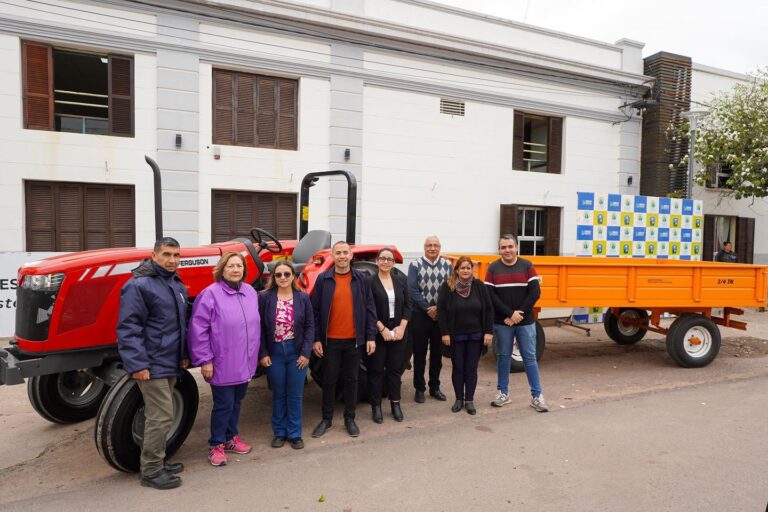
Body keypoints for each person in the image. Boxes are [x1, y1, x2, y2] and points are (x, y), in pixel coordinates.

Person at [117, 237, 189, 489]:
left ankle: (157, 461)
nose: (172, 260)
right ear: (154, 255)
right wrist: (137, 364)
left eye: (176, 255)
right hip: (152, 362)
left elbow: (179, 326)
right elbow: (129, 328)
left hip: (170, 361)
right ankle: (150, 471)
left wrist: (183, 354)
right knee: (160, 417)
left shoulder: (176, 284)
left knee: (160, 416)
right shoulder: (139, 285)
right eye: (167, 254)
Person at [188, 252, 261, 466]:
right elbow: (198, 329)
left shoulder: (250, 292)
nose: (236, 270)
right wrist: (205, 360)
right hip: (222, 362)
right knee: (224, 405)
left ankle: (230, 437)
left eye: (239, 266)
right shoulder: (210, 294)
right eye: (231, 266)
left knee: (237, 402)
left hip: (245, 361)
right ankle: (216, 445)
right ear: (222, 269)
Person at [311, 241, 377, 438]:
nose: (341, 256)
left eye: (345, 253)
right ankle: (327, 419)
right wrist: (316, 339)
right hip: (330, 341)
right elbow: (314, 311)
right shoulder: (323, 280)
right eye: (338, 252)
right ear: (333, 255)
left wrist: (371, 336)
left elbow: (370, 308)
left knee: (351, 380)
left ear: (350, 256)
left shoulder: (361, 279)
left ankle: (350, 419)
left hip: (354, 341)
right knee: (330, 381)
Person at [484, 234, 548, 413]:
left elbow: (535, 292)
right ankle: (503, 393)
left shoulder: (527, 266)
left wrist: (518, 314)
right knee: (503, 357)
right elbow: (490, 295)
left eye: (510, 246)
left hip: (525, 321)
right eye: (503, 247)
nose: (507, 250)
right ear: (499, 250)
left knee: (530, 358)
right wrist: (510, 314)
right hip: (503, 322)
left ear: (517, 247)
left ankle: (537, 396)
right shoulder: (493, 268)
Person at [258, 261, 314, 450]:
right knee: (279, 394)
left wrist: (306, 353)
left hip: (296, 352)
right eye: (278, 274)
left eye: (286, 274)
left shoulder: (302, 297)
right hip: (275, 353)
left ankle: (295, 433)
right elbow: (260, 328)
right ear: (273, 277)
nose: (282, 278)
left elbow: (309, 327)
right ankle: (280, 432)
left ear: (293, 276)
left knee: (295, 395)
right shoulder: (265, 297)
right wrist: (263, 353)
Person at [436, 256, 493, 415]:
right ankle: (458, 399)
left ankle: (469, 400)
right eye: (462, 268)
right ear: (457, 270)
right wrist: (445, 332)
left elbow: (488, 309)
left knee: (471, 369)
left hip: (476, 336)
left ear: (472, 270)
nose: (466, 270)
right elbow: (441, 311)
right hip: (456, 336)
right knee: (458, 368)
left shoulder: (480, 286)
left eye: (468, 268)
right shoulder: (448, 287)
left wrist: (488, 331)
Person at [367, 247, 412, 423]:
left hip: (399, 331)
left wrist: (401, 327)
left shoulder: (400, 281)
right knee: (376, 371)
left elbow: (408, 305)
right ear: (377, 261)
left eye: (389, 259)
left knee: (395, 370)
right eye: (382, 259)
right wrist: (382, 329)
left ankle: (395, 405)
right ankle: (376, 407)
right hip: (379, 332)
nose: (385, 262)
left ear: (393, 263)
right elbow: (368, 308)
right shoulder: (370, 282)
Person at [407, 236, 453, 404]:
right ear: (424, 247)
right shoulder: (415, 265)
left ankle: (435, 387)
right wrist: (427, 308)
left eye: (435, 245)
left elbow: (450, 289)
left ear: (440, 247)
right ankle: (419, 388)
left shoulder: (448, 265)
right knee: (419, 354)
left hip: (439, 317)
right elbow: (412, 289)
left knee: (437, 355)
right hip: (420, 315)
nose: (432, 248)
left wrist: (438, 309)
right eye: (429, 245)